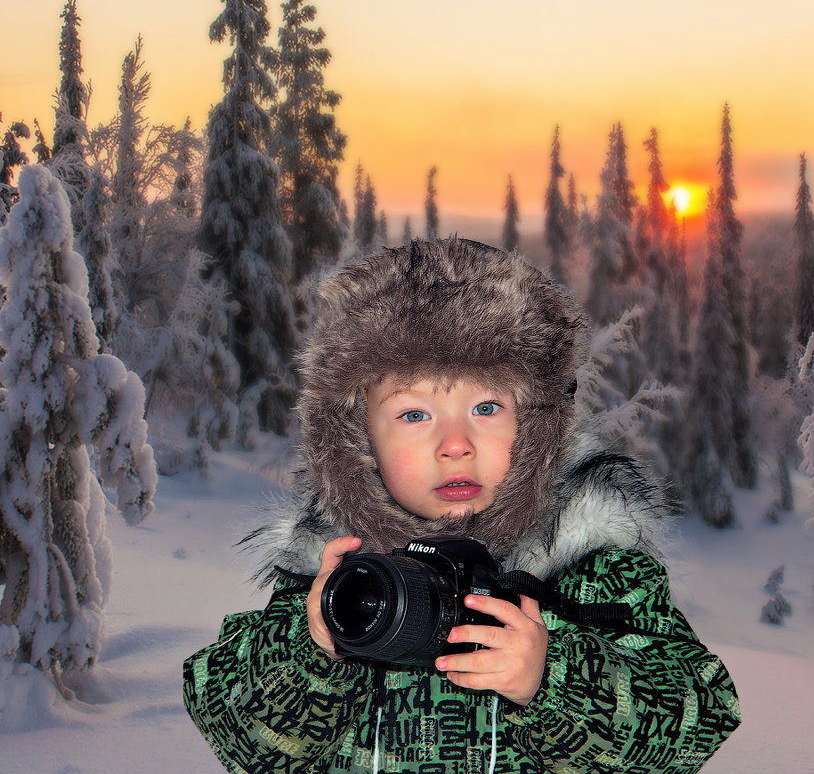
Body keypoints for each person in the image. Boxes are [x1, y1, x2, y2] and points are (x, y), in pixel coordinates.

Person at [183, 237, 740, 774]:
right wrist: (315, 647)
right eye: (414, 415)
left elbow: (695, 718)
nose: (455, 443)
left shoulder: (592, 573)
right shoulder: (336, 579)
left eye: (487, 407)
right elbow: (237, 732)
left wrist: (552, 677)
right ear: (356, 440)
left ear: (539, 424)